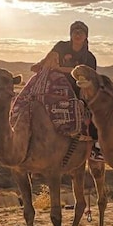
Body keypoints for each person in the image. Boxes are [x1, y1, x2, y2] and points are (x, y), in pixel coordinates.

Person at [31, 20, 102, 159]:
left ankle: (96, 146)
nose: (77, 34)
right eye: (75, 31)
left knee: (94, 109)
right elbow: (49, 57)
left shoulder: (89, 57)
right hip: (56, 86)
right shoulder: (61, 46)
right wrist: (40, 65)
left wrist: (60, 69)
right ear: (70, 34)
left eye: (81, 32)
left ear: (86, 36)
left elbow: (85, 72)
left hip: (78, 88)